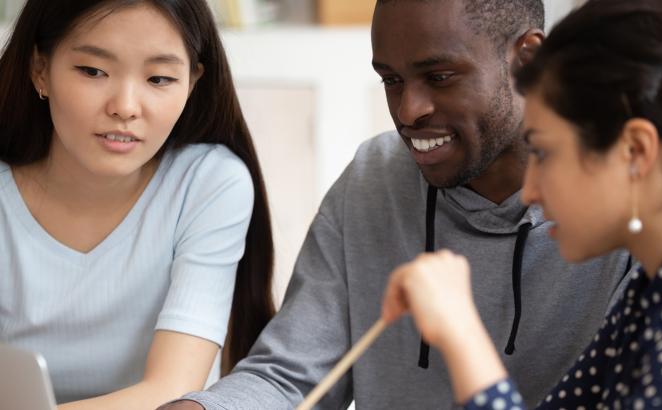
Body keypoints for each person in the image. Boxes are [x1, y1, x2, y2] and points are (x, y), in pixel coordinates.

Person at [161, 1, 630, 409]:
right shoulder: (374, 176)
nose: (408, 110)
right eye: (391, 80)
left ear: (527, 59)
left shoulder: (620, 214)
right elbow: (290, 377)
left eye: (439, 77)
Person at [380, 0, 662, 408]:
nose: (530, 192)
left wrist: (461, 331)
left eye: (546, 153)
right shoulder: (647, 294)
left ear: (636, 151)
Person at [0, 1, 274, 408]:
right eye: (93, 71)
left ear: (193, 81)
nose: (125, 106)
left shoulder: (208, 184)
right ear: (40, 69)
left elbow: (171, 390)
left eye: (159, 78)